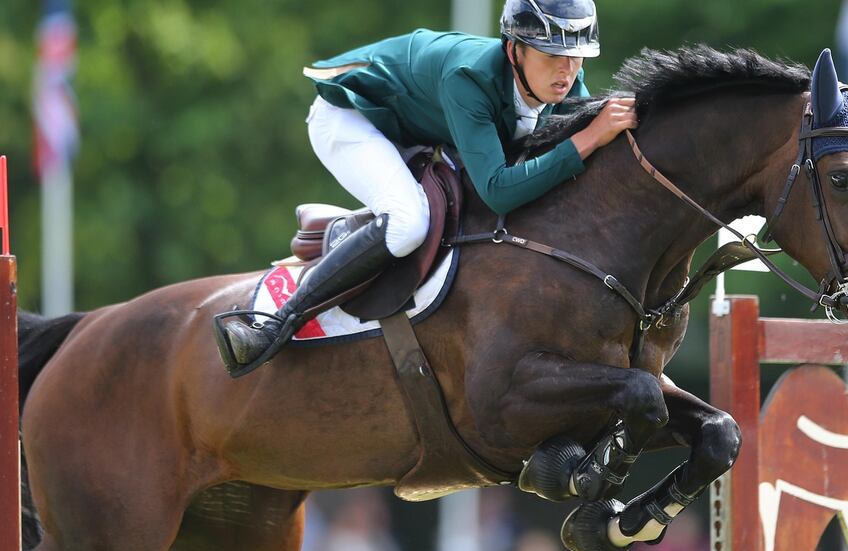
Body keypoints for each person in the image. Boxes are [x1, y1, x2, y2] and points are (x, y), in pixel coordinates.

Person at [217, 0, 638, 375]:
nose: (567, 70)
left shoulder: (563, 84)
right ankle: (275, 323)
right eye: (551, 55)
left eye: (576, 57)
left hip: (415, 122)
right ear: (515, 49)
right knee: (407, 223)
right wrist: (588, 138)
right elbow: (499, 190)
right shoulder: (468, 78)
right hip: (351, 115)